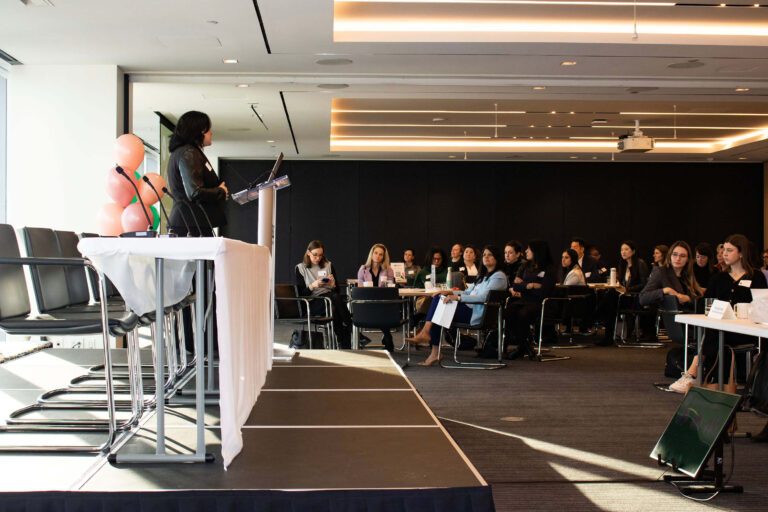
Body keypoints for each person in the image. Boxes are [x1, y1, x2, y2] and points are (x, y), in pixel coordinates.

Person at [669, 234, 768, 393]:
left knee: (712, 333)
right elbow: (706, 305)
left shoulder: (755, 277)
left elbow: (763, 304)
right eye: (724, 250)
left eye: (730, 250)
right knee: (713, 331)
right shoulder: (719, 278)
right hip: (721, 328)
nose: (724, 254)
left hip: (746, 330)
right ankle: (695, 375)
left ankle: (692, 374)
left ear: (741, 253)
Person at [406, 246, 508, 366]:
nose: (486, 257)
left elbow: (484, 298)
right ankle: (431, 344)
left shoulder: (498, 276)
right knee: (439, 298)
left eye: (489, 255)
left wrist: (458, 298)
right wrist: (450, 292)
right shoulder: (483, 276)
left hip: (477, 314)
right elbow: (468, 292)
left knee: (439, 306)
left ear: (497, 258)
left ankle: (428, 338)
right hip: (469, 309)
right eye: (484, 255)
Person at [166, 110, 228, 237]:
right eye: (209, 129)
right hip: (190, 225)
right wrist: (220, 191)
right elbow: (195, 192)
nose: (211, 133)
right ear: (201, 130)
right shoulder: (189, 153)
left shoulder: (182, 152)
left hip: (189, 223)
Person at [295, 240, 352, 349]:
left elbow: (337, 290)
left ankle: (342, 339)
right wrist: (313, 285)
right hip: (312, 303)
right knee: (334, 300)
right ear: (308, 252)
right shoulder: (300, 268)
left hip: (329, 300)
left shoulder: (328, 265)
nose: (318, 258)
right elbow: (301, 294)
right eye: (315, 255)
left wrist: (333, 284)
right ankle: (349, 329)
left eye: (320, 255)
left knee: (334, 305)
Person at [506, 240, 558, 359]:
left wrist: (524, 285)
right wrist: (530, 285)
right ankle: (525, 346)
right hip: (525, 301)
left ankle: (522, 347)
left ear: (537, 251)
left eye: (529, 249)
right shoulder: (524, 266)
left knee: (522, 314)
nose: (526, 251)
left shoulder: (549, 268)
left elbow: (545, 290)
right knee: (507, 312)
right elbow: (516, 286)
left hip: (542, 303)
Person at [596, 240, 650, 345]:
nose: (623, 252)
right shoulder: (623, 265)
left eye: (626, 249)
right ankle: (607, 337)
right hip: (623, 296)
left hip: (634, 298)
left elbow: (645, 284)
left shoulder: (640, 263)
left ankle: (596, 317)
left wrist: (627, 289)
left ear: (633, 251)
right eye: (621, 250)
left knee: (610, 298)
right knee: (609, 299)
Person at [639, 240, 702, 309]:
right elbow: (643, 298)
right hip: (669, 318)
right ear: (670, 256)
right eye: (675, 254)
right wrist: (666, 290)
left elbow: (699, 298)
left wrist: (688, 299)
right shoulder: (661, 272)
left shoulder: (688, 275)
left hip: (689, 317)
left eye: (682, 256)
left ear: (687, 259)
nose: (678, 259)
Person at [357, 243, 396, 352]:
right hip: (367, 302)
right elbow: (360, 289)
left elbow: (390, 288)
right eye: (376, 253)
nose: (378, 256)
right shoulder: (363, 269)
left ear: (384, 257)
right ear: (371, 254)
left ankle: (388, 338)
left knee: (382, 309)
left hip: (383, 302)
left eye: (381, 254)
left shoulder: (388, 270)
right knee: (380, 312)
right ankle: (388, 337)